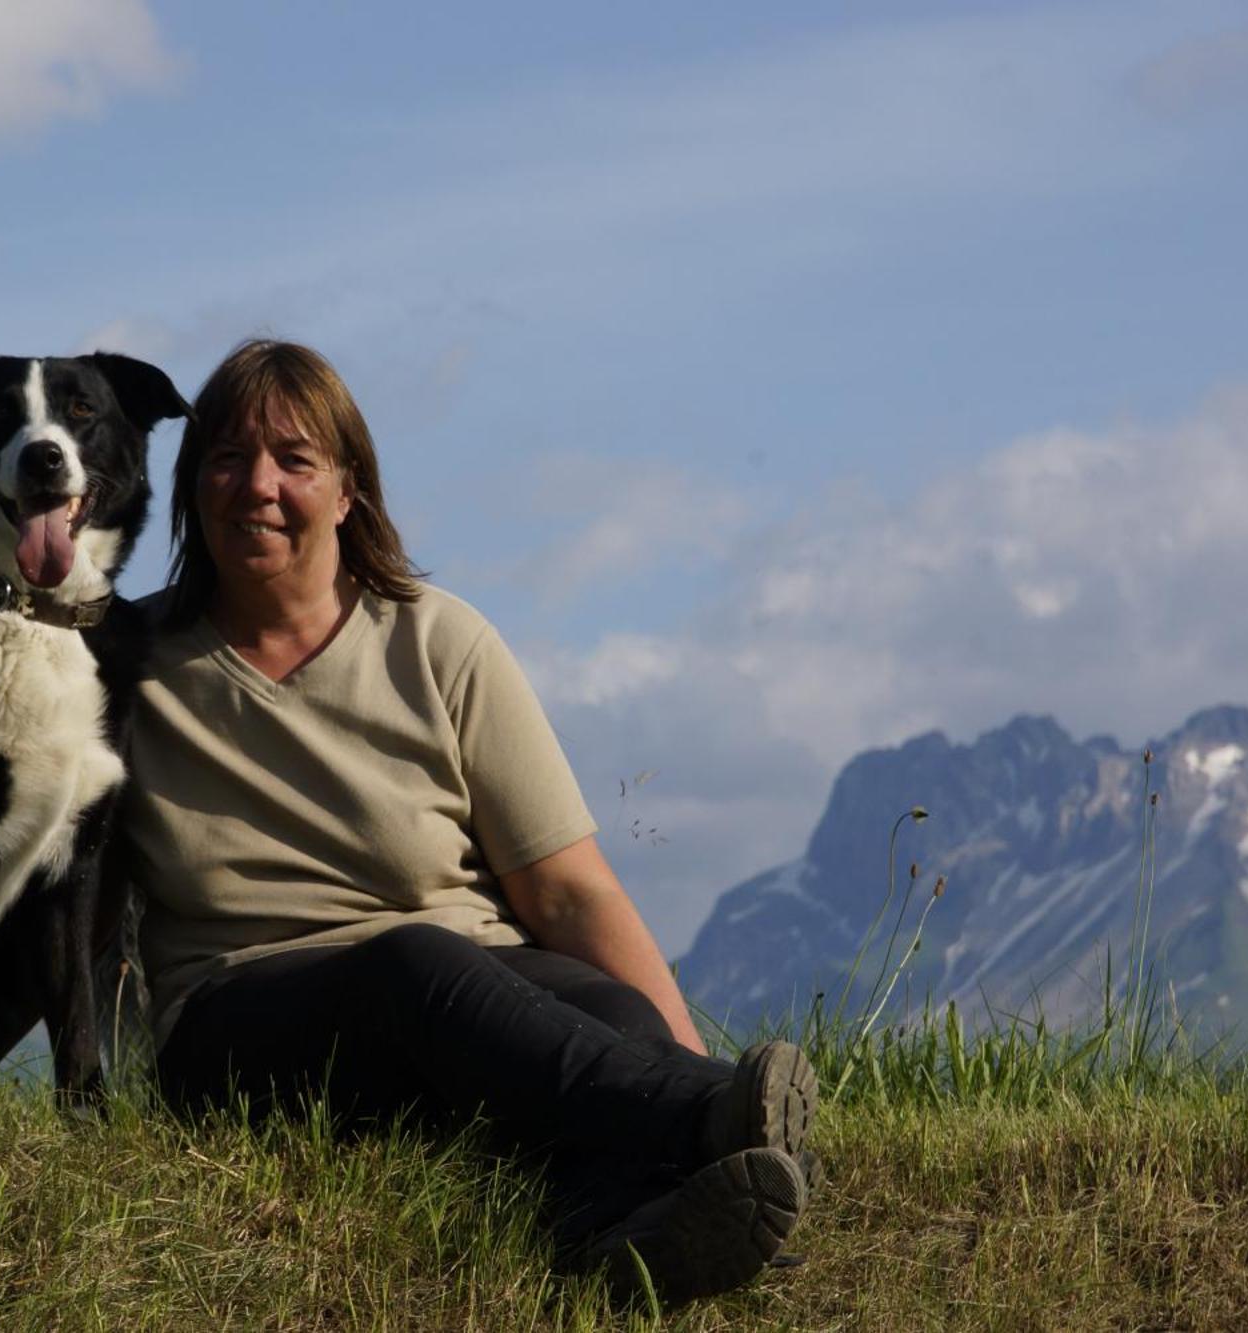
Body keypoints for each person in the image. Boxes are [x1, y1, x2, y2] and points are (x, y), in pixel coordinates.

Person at [118, 339, 815, 1304]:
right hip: (241, 1022)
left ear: (350, 489)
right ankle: (705, 1120)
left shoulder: (439, 639)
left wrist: (672, 1041)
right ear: (193, 487)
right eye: (227, 459)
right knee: (414, 963)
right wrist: (716, 1093)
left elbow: (568, 889)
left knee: (604, 1008)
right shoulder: (124, 666)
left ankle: (623, 1235)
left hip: (466, 995)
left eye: (294, 460)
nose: (257, 486)